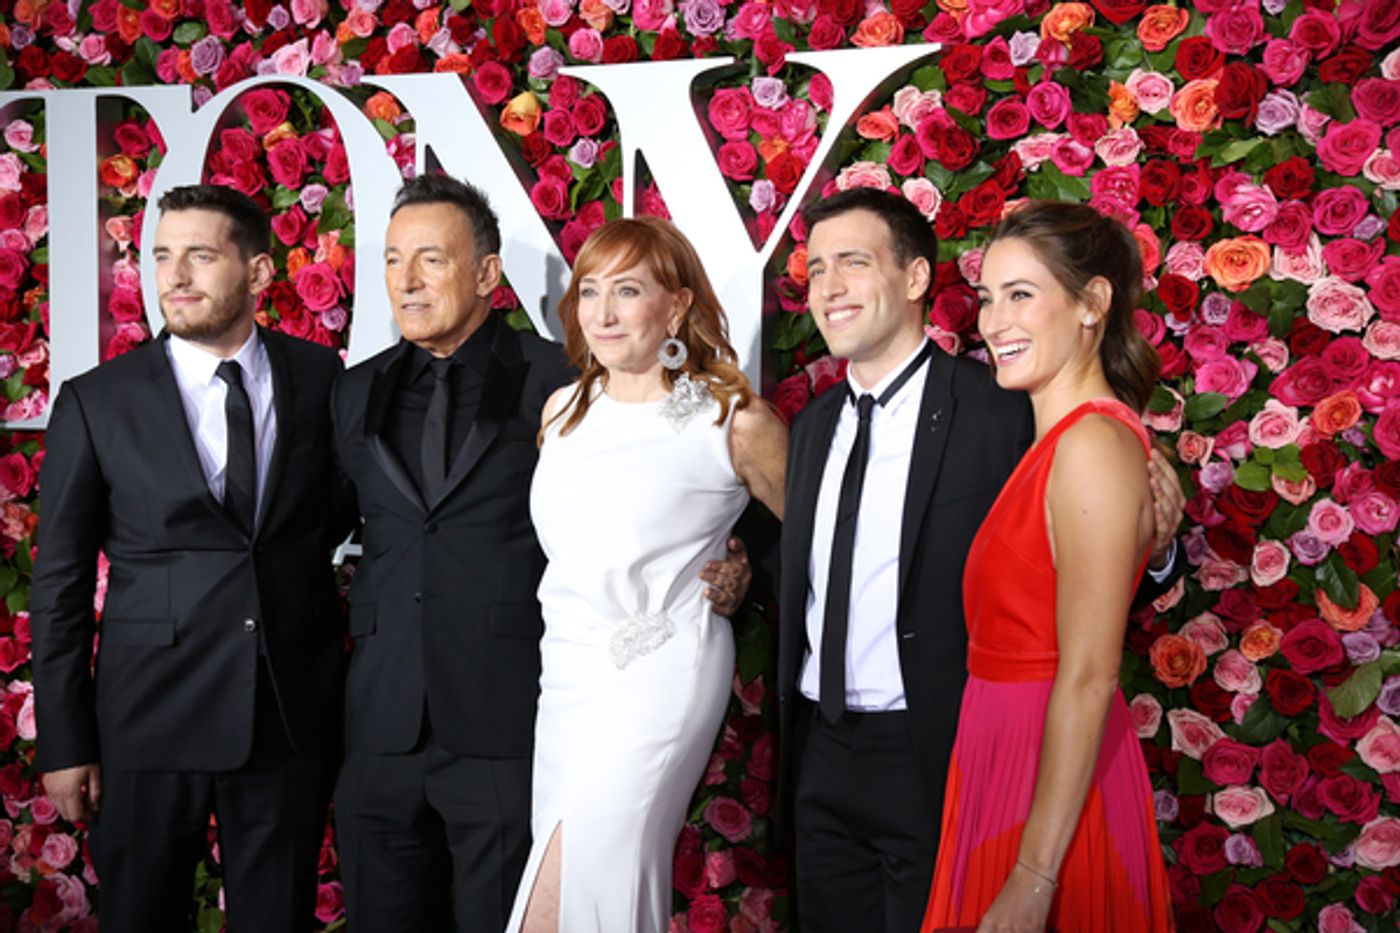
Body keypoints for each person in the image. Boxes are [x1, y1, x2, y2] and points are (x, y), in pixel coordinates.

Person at [330, 177, 751, 931]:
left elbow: (687, 475)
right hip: (381, 727)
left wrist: (739, 561)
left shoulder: (566, 382)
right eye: (394, 259)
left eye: (431, 258)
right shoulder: (354, 392)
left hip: (508, 716)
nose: (407, 279)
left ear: (488, 274)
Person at [777, 188, 1182, 933]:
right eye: (816, 268)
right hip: (829, 749)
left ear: (914, 279)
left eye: (853, 262)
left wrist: (1155, 548)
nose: (828, 286)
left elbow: (1087, 592)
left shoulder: (1004, 406)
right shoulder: (810, 426)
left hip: (946, 747)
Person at [30, 184, 345, 932]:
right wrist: (67, 740)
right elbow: (61, 584)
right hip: (146, 723)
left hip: (285, 718)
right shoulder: (96, 401)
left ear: (260, 272)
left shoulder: (322, 378)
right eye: (163, 256)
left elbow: (338, 517)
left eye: (200, 256)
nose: (175, 276)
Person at [507, 217, 787, 933]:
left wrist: (747, 569)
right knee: (567, 870)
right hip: (565, 674)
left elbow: (813, 539)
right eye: (589, 290)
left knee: (592, 870)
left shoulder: (730, 418)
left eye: (627, 291)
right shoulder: (562, 411)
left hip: (660, 665)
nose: (601, 312)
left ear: (677, 305)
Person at [922, 202, 1173, 932]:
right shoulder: (1058, 441)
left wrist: (1034, 877)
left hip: (1050, 787)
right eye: (989, 297)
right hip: (1005, 761)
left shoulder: (1091, 445)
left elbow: (1091, 671)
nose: (994, 321)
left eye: (1021, 295)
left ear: (1093, 302)